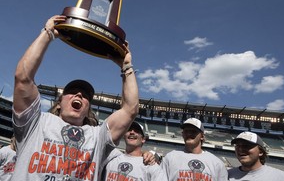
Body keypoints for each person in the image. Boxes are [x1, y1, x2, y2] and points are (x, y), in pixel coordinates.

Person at [11, 15, 139, 180]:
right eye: (72, 91)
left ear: (87, 111)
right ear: (59, 103)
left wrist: (126, 66)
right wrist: (47, 34)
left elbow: (130, 109)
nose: (79, 94)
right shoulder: (35, 123)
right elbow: (23, 78)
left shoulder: (97, 137)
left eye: (86, 96)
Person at [161, 118, 228, 181]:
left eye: (193, 131)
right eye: (186, 131)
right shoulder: (170, 158)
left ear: (202, 136)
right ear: (182, 134)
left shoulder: (216, 164)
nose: (189, 134)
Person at [103, 121, 167, 181]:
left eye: (137, 131)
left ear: (143, 139)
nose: (132, 132)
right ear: (124, 135)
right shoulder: (111, 157)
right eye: (129, 129)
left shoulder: (151, 165)